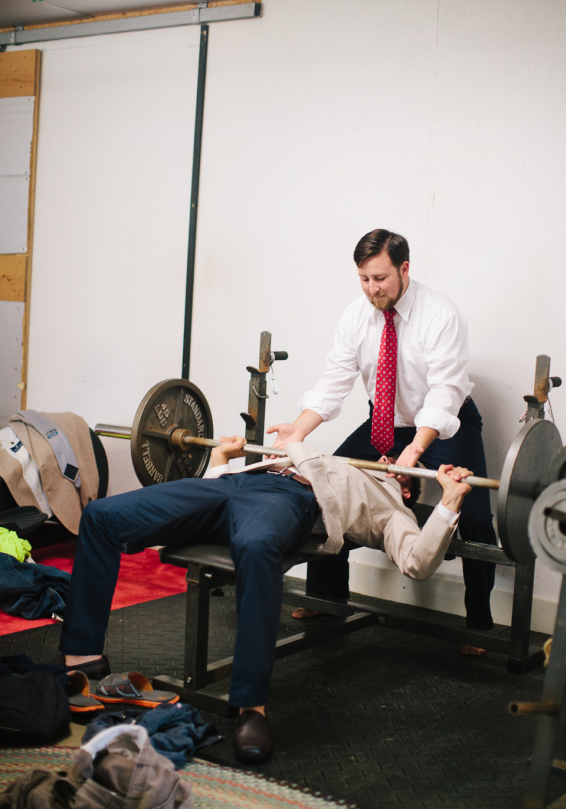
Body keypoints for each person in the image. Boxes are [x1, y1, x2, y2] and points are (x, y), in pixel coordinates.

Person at [55, 435, 473, 763]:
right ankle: (82, 657)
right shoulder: (337, 458)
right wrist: (222, 458)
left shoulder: (391, 509)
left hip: (287, 502)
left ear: (407, 491)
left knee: (255, 547)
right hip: (239, 483)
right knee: (101, 517)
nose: (390, 464)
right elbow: (224, 485)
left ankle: (251, 708)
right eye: (390, 461)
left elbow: (417, 562)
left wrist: (450, 501)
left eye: (406, 471)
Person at [267, 229, 497, 649]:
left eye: (380, 278)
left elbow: (445, 392)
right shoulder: (357, 315)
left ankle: (480, 622)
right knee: (326, 487)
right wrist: (298, 430)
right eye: (364, 279)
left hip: (446, 421)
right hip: (385, 422)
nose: (372, 289)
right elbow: (335, 380)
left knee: (476, 514)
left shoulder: (442, 315)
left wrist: (415, 450)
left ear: (404, 269)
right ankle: (327, 595)